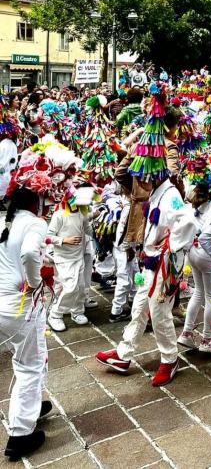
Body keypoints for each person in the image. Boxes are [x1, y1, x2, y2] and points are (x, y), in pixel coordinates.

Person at [96, 89, 197, 387]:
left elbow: (188, 222)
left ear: (154, 174)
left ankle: (170, 358)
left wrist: (170, 249)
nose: (138, 179)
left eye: (143, 175)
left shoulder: (170, 196)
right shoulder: (154, 193)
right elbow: (124, 172)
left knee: (158, 310)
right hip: (151, 262)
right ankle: (125, 352)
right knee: (140, 305)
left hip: (164, 264)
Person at [0, 185, 50, 461]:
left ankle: (31, 407)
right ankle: (20, 434)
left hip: (3, 304)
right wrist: (35, 282)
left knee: (33, 355)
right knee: (28, 366)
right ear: (35, 202)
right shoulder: (34, 223)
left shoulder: (4, 222)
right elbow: (31, 254)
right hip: (20, 307)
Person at [177, 166, 211, 353]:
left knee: (198, 293)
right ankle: (207, 340)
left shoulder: (190, 207)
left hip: (192, 253)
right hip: (206, 254)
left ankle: (186, 333)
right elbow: (207, 236)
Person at [47, 185, 95, 332]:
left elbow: (87, 229)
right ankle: (55, 314)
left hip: (78, 256)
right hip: (64, 258)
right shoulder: (59, 215)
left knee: (80, 286)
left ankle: (77, 311)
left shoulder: (82, 213)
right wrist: (63, 240)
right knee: (70, 287)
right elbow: (48, 237)